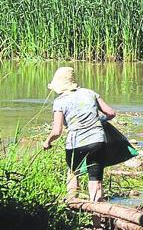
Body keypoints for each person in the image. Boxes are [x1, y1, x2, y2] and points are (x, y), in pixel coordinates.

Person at [42, 67, 116, 228]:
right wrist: (98, 120)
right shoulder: (90, 93)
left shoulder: (60, 101)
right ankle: (97, 224)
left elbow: (57, 131)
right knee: (95, 183)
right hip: (98, 141)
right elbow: (111, 113)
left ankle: (72, 211)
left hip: (76, 144)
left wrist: (47, 141)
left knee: (73, 174)